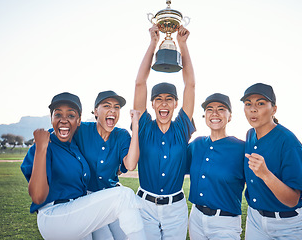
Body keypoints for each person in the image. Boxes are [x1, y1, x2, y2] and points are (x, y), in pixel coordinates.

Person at [21, 92, 145, 240]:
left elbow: (127, 164)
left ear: (79, 121)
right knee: (124, 195)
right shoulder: (46, 145)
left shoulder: (75, 147)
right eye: (58, 115)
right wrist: (41, 148)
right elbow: (37, 196)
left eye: (71, 116)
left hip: (78, 210)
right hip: (55, 215)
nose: (64, 120)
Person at [133, 24, 196, 239]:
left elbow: (191, 86)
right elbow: (140, 83)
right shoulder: (144, 127)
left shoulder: (181, 128)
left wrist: (182, 45)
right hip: (144, 207)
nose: (164, 103)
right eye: (158, 99)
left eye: (169, 99)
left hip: (175, 209)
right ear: (152, 104)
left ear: (176, 104)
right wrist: (152, 44)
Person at [240, 83, 302, 239]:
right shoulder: (249, 135)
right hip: (255, 220)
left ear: (274, 109)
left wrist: (265, 174)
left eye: (260, 103)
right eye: (248, 104)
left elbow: (293, 200)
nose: (253, 109)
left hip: (289, 225)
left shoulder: (288, 141)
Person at [73, 90, 140, 240]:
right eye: (107, 105)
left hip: (112, 197)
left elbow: (130, 165)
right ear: (96, 111)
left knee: (127, 236)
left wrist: (135, 127)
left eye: (117, 107)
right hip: (88, 200)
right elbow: (58, 133)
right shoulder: (81, 130)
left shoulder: (121, 135)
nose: (113, 110)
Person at [187, 93, 245, 240]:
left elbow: (259, 179)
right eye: (209, 109)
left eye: (221, 109)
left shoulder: (241, 148)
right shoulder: (196, 144)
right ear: (205, 115)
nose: (214, 113)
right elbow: (174, 166)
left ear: (230, 116)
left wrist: (299, 190)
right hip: (196, 218)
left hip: (225, 223)